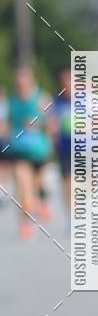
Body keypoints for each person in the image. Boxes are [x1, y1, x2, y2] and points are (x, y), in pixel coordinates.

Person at [7, 68, 54, 239]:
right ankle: (26, 221)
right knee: (23, 187)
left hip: (39, 151)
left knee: (37, 185)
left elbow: (51, 124)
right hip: (19, 150)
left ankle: (42, 201)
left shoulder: (42, 98)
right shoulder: (11, 101)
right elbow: (7, 124)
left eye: (26, 83)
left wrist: (42, 131)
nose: (23, 87)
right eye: (20, 84)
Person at [48, 68, 72, 218]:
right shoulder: (57, 102)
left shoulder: (87, 100)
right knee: (68, 183)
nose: (67, 85)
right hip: (65, 149)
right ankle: (72, 217)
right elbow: (52, 124)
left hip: (86, 149)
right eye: (64, 83)